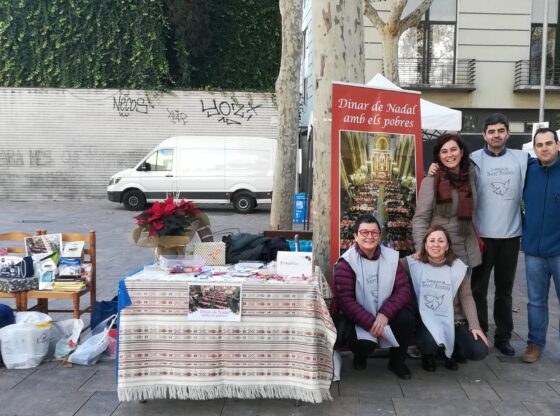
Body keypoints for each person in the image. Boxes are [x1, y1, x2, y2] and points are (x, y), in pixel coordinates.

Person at [469, 113, 528, 356]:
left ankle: (503, 336)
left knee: (505, 290)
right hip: (481, 235)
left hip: (511, 236)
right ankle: (480, 332)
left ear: (508, 133)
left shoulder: (522, 159)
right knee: (478, 289)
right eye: (491, 131)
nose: (496, 135)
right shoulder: (473, 159)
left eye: (500, 130)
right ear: (484, 135)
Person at [334, 214, 415, 379]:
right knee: (363, 344)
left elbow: (403, 290)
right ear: (356, 236)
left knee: (406, 319)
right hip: (359, 316)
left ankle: (397, 362)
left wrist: (385, 314)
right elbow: (346, 302)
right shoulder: (346, 263)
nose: (369, 236)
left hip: (386, 313)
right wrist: (371, 323)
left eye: (374, 233)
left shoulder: (391, 257)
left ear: (379, 236)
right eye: (364, 232)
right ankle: (360, 356)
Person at [406, 226, 489, 372]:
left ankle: (453, 351)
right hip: (428, 319)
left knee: (478, 350)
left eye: (440, 241)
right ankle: (428, 354)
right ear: (425, 244)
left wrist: (475, 325)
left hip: (454, 319)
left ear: (447, 245)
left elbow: (467, 297)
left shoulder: (457, 267)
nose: (436, 245)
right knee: (428, 342)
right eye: (431, 241)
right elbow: (390, 263)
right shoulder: (414, 263)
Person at [412, 133, 482, 269]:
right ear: (439, 156)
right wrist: (421, 249)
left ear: (461, 152)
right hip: (441, 252)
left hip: (468, 250)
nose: (449, 155)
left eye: (453, 149)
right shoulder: (432, 181)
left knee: (465, 290)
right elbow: (420, 219)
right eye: (444, 151)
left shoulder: (470, 177)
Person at [521, 127, 560, 363]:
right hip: (534, 251)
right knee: (535, 302)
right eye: (539, 144)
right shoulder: (528, 172)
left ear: (557, 145)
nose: (544, 148)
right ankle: (534, 344)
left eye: (548, 143)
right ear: (534, 149)